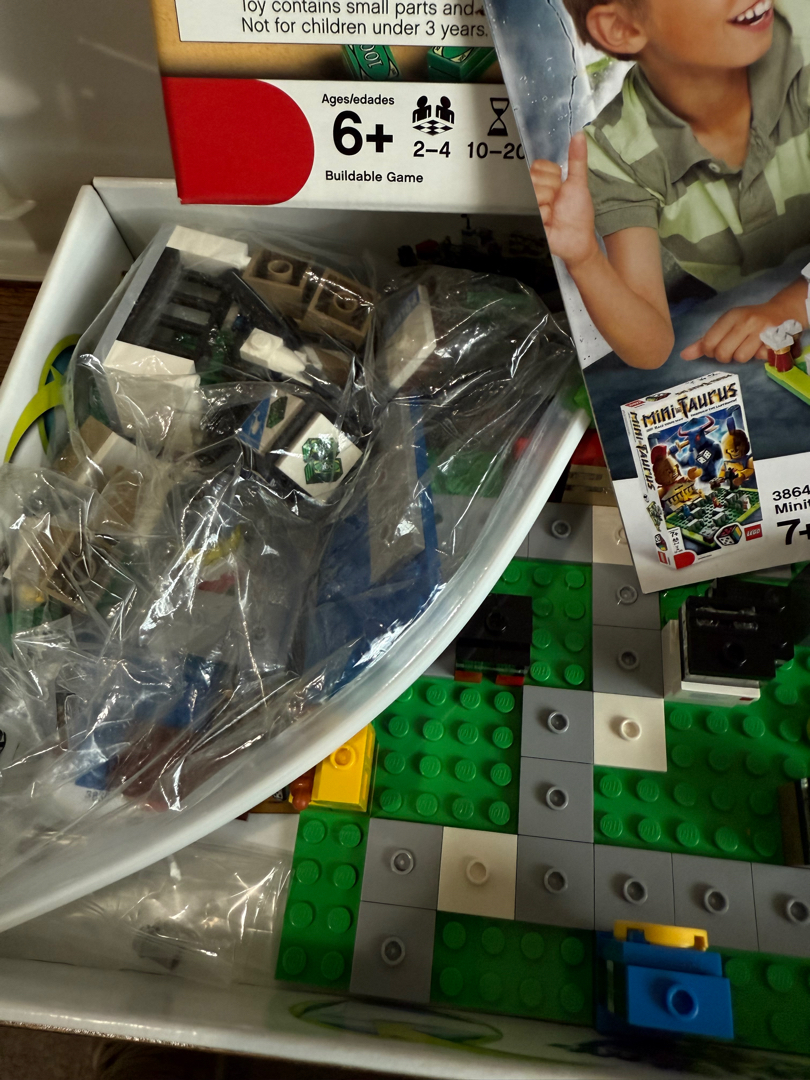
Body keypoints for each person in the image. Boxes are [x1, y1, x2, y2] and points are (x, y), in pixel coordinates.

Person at [531, 0, 810, 369]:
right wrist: (585, 260)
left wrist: (795, 304)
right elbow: (651, 349)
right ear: (621, 28)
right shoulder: (615, 152)